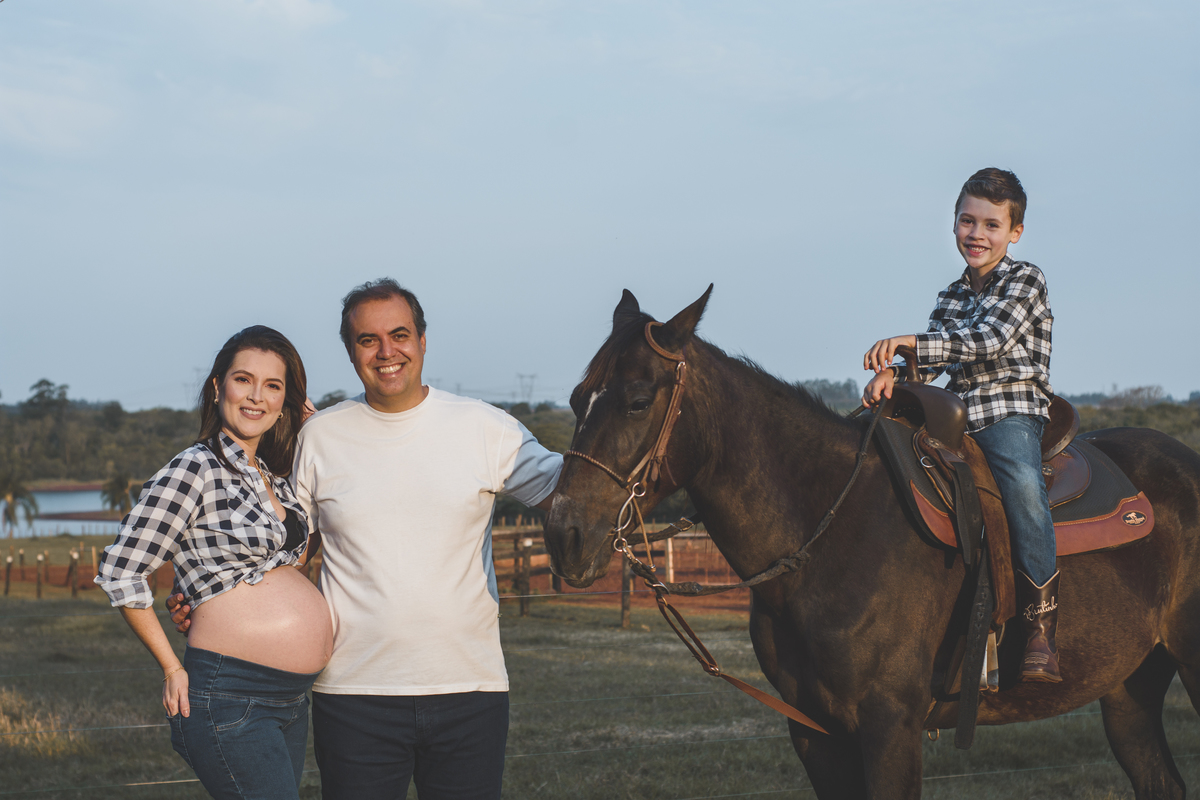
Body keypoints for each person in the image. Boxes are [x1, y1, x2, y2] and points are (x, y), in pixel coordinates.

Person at [177, 280, 562, 799]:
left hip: (471, 690)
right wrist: (207, 598)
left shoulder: (488, 429)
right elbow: (279, 550)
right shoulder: (320, 437)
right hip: (352, 695)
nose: (386, 352)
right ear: (350, 351)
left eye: (399, 334)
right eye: (367, 340)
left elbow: (581, 495)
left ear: (423, 341)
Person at [97, 325, 334, 799]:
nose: (256, 397)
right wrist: (171, 667)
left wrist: (316, 424)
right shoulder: (195, 467)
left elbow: (285, 565)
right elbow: (121, 567)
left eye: (273, 386)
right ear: (216, 386)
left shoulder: (273, 478)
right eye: (243, 380)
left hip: (289, 700)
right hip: (230, 696)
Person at [861, 167, 1061, 683]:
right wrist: (894, 374)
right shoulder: (950, 294)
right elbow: (928, 363)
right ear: (954, 224)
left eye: (992, 225)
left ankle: (1040, 626)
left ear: (1014, 232)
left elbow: (988, 340)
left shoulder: (1026, 279)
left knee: (1020, 483)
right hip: (955, 416)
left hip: (1009, 411)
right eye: (968, 221)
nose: (978, 234)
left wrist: (908, 342)